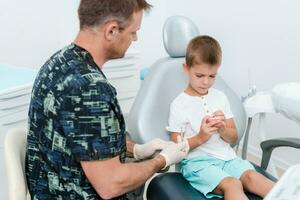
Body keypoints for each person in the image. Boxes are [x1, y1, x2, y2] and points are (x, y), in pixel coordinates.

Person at [25, 0, 188, 199]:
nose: (135, 38)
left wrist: (135, 150)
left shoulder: (59, 62)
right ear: (111, 31)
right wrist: (161, 161)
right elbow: (111, 184)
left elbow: (83, 140)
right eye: (133, 32)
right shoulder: (90, 88)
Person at [166, 35, 274, 200]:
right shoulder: (179, 104)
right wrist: (201, 137)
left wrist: (223, 129)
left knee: (253, 178)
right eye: (200, 75)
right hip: (198, 163)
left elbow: (233, 137)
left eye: (212, 76)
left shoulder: (220, 97)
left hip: (228, 158)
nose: (206, 82)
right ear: (186, 69)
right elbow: (176, 148)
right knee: (233, 184)